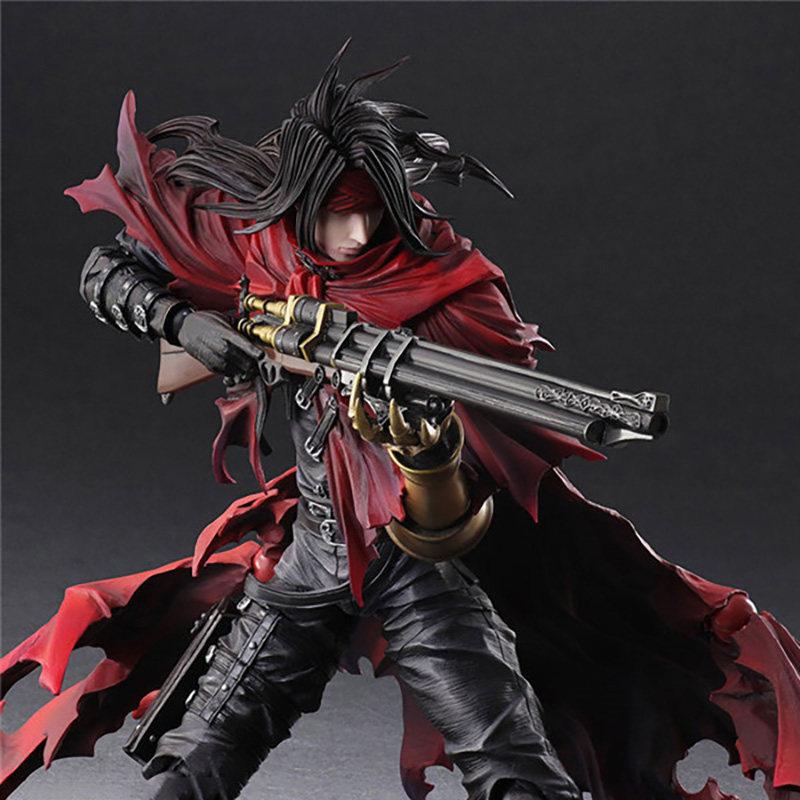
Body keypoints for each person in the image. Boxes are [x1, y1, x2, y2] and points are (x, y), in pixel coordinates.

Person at [2, 43, 799, 800]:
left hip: (416, 568)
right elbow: (108, 270)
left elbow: (455, 519)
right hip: (308, 558)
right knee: (201, 756)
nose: (356, 236)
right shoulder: (256, 237)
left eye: (372, 214)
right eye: (335, 214)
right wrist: (185, 326)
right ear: (298, 202)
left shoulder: (451, 292)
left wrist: (427, 458)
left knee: (508, 760)